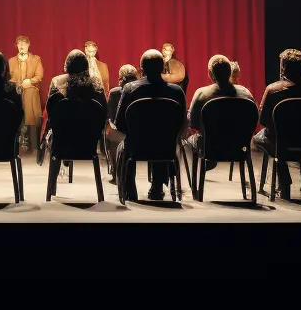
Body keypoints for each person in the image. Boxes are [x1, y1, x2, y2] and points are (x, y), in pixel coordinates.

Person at [115, 49, 187, 201]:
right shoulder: (177, 92)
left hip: (136, 147)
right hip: (165, 148)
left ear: (141, 69)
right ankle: (157, 188)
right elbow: (182, 124)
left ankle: (129, 192)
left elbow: (119, 123)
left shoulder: (130, 89)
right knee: (162, 135)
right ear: (163, 68)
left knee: (125, 145)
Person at [255, 49, 301, 200]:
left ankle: (284, 180)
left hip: (281, 141)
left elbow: (263, 120)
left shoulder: (273, 90)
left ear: (283, 67)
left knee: (262, 138)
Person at [184, 54, 255, 172]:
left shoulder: (201, 93)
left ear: (210, 74)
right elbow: (253, 119)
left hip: (210, 147)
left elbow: (193, 123)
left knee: (188, 142)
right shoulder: (245, 93)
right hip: (238, 146)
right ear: (230, 72)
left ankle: (198, 174)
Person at [43, 50, 105, 161]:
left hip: (61, 143)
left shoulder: (56, 82)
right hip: (89, 144)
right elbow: (103, 114)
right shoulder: (97, 85)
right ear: (87, 66)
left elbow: (51, 113)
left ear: (67, 66)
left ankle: (54, 169)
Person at [8, 36, 44, 153]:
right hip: (16, 91)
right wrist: (16, 83)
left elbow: (39, 75)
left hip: (30, 91)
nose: (22, 46)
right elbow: (8, 77)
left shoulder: (36, 59)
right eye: (19, 44)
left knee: (31, 110)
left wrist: (30, 81)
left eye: (24, 44)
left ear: (28, 45)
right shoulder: (11, 61)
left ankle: (33, 145)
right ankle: (15, 145)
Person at [105, 64, 139, 181]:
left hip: (121, 132)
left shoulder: (115, 93)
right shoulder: (144, 90)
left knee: (110, 133)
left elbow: (110, 116)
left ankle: (115, 171)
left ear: (120, 78)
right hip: (143, 134)